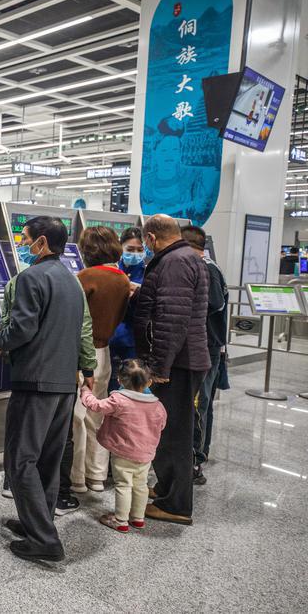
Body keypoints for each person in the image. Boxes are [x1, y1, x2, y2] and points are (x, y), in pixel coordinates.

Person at [0, 216, 96, 562]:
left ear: (42, 242)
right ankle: (37, 522)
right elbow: (80, 331)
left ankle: (45, 540)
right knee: (48, 459)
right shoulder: (72, 281)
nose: (22, 243)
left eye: (25, 238)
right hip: (64, 382)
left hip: (35, 380)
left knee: (20, 459)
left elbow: (21, 329)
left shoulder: (32, 278)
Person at [133, 215, 209, 525]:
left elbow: (171, 320)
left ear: (151, 238)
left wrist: (160, 366)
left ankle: (175, 505)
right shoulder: (185, 257)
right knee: (170, 431)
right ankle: (166, 489)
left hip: (178, 362)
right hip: (185, 358)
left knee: (174, 435)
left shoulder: (174, 263)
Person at [69, 226, 131, 494]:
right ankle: (96, 476)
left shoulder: (85, 277)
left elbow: (72, 320)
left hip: (82, 354)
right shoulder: (122, 279)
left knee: (77, 416)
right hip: (104, 352)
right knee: (97, 414)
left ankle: (77, 478)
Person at [79, 360, 167, 533]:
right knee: (141, 485)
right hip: (146, 454)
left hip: (123, 453)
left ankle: (120, 520)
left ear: (119, 380)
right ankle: (138, 518)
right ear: (149, 382)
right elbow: (161, 425)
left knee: (123, 485)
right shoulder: (157, 405)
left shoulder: (118, 400)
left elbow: (95, 405)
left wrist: (85, 391)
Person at [181, 225, 228, 486]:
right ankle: (199, 453)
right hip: (207, 344)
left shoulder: (206, 268)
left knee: (199, 404)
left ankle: (195, 459)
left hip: (206, 346)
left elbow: (213, 303)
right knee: (202, 404)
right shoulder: (208, 265)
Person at [108, 226, 146, 370]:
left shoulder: (150, 273)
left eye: (139, 249)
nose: (135, 253)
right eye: (130, 249)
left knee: (131, 386)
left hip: (134, 341)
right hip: (109, 339)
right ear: (120, 247)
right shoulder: (112, 270)